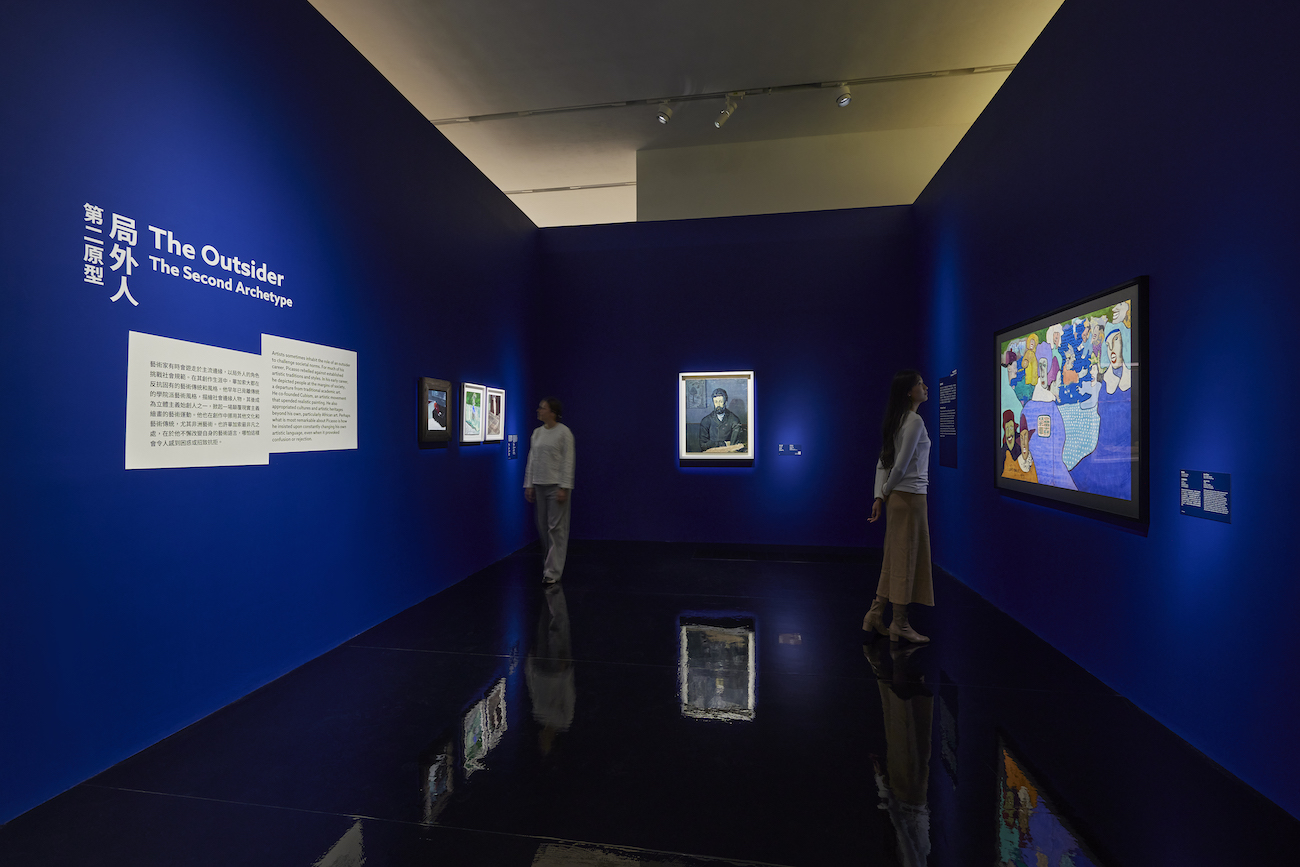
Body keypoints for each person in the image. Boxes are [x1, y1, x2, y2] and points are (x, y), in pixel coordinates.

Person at [864, 370, 934, 644]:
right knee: (906, 558)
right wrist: (884, 492)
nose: (925, 387)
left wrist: (880, 496)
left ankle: (875, 614)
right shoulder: (914, 421)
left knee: (894, 558)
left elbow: (884, 462)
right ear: (909, 391)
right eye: (920, 384)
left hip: (898, 499)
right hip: (910, 498)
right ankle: (900, 624)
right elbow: (901, 465)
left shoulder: (898, 419)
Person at [524, 397, 575, 584]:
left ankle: (553, 572)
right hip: (540, 484)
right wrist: (529, 484)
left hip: (556, 486)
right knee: (543, 527)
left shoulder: (564, 433)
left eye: (542, 408)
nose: (539, 410)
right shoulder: (537, 433)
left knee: (556, 529)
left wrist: (564, 487)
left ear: (552, 412)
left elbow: (568, 461)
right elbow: (532, 459)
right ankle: (548, 565)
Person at [698, 387, 746, 452]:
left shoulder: (734, 420)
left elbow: (734, 445)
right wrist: (723, 444)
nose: (718, 405)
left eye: (720, 401)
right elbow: (703, 445)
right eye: (716, 402)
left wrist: (712, 444)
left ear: (725, 402)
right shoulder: (706, 421)